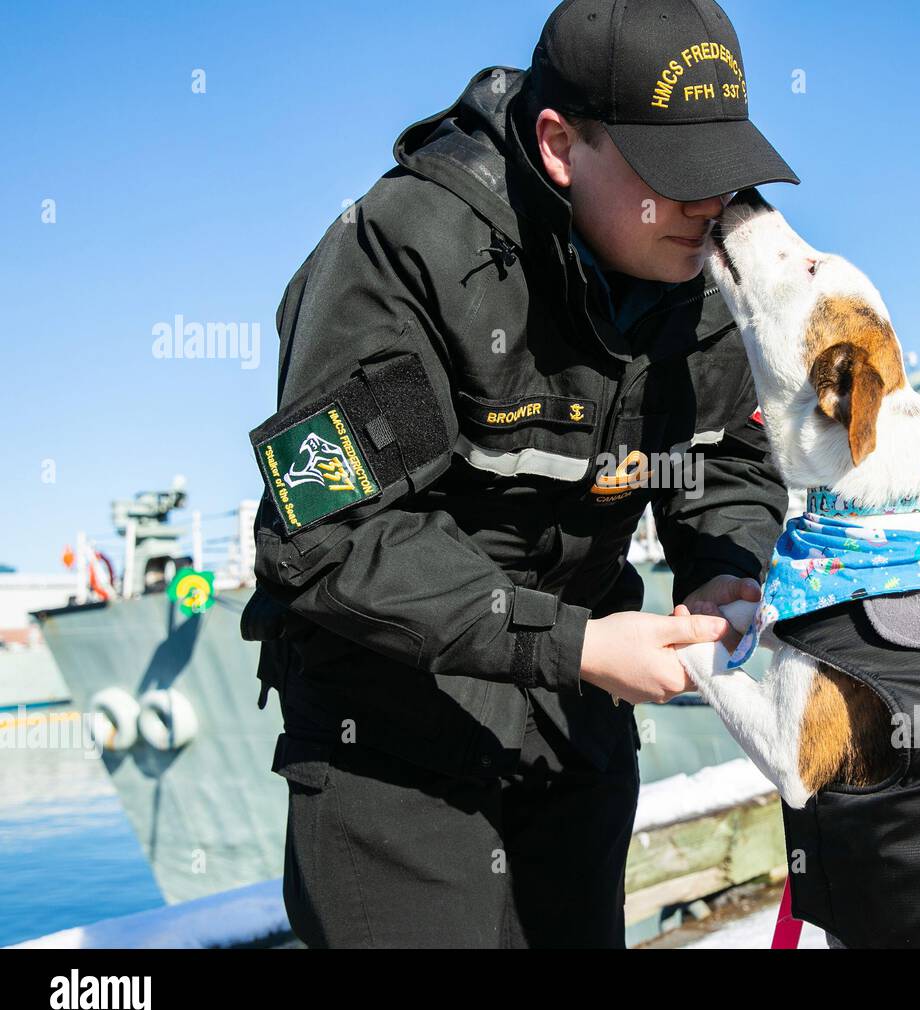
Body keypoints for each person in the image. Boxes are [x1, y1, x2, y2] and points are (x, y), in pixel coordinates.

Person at [240, 0, 798, 948]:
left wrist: (723, 565)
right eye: (677, 175)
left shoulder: (700, 269)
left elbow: (730, 456)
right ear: (557, 144)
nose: (712, 206)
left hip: (573, 735)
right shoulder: (414, 254)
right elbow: (326, 534)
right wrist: (571, 643)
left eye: (723, 169)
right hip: (394, 740)